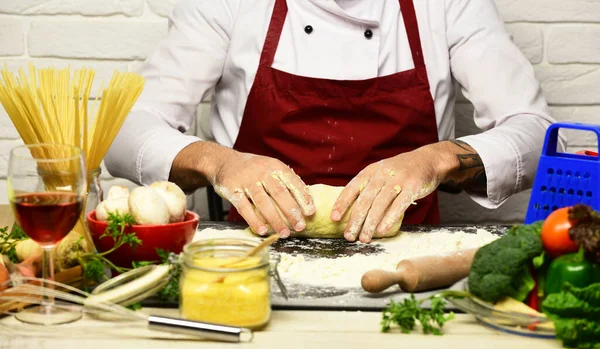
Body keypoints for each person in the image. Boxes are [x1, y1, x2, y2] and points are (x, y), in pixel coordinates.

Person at [105, 0, 561, 244]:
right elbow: (126, 130)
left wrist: (440, 158)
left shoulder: (446, 4)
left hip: (410, 254)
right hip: (248, 255)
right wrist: (220, 163)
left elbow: (536, 130)